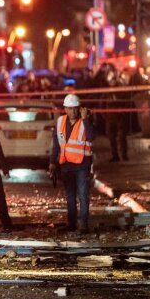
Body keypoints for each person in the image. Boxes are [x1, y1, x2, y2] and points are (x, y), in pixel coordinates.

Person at [49, 94, 95, 233]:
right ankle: (72, 223)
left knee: (82, 195)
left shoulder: (85, 122)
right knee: (70, 196)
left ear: (79, 109)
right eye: (69, 108)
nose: (72, 112)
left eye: (75, 109)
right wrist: (52, 162)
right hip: (66, 165)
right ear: (65, 109)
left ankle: (83, 225)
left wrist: (86, 119)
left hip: (82, 165)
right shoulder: (61, 122)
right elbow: (56, 145)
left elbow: (92, 137)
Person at [105, 69, 130, 162]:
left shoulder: (121, 91)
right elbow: (102, 104)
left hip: (119, 117)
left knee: (121, 137)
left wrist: (122, 112)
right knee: (112, 138)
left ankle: (124, 155)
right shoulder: (107, 92)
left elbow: (126, 102)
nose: (112, 82)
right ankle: (115, 155)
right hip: (111, 117)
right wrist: (106, 116)